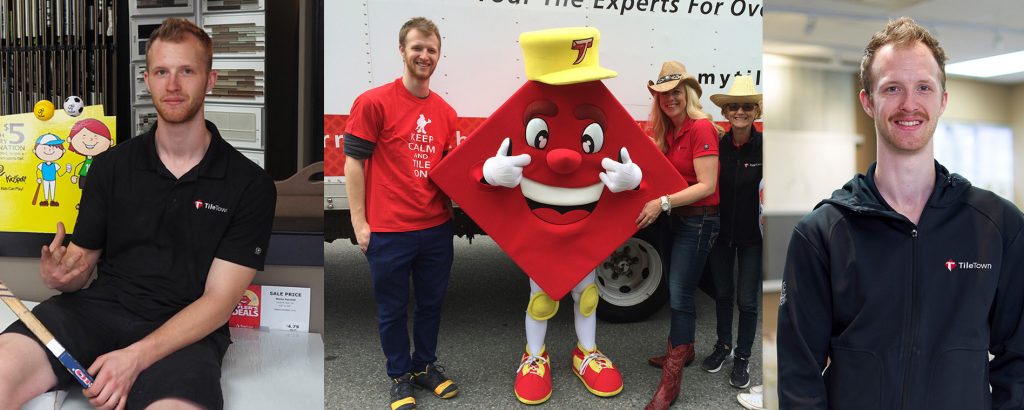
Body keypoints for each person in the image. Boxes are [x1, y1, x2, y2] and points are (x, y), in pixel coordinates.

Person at [0, 17, 276, 410]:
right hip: (94, 312)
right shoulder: (110, 167)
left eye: (187, 71)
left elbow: (219, 301)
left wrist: (135, 357)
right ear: (147, 80)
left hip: (183, 333)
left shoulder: (250, 184)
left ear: (209, 80)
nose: (173, 85)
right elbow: (81, 265)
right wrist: (61, 276)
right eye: (162, 72)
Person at [777, 17, 1024, 409]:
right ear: (868, 101)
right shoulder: (822, 233)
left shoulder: (998, 226)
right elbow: (799, 376)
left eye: (923, 87)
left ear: (942, 99)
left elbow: (1019, 361)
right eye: (892, 88)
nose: (909, 104)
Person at [342, 16, 459, 410]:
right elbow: (353, 163)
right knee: (392, 310)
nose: (424, 56)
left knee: (431, 304)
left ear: (438, 55)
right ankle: (399, 376)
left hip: (435, 229)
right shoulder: (373, 102)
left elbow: (447, 172)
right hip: (389, 232)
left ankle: (425, 366)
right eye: (417, 48)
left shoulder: (446, 111)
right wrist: (359, 223)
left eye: (431, 50)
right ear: (402, 51)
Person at [639, 61, 723, 410]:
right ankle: (682, 348)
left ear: (687, 94)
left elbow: (707, 185)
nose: (669, 99)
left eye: (675, 92)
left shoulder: (700, 128)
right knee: (679, 291)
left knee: (679, 295)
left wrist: (661, 203)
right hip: (680, 220)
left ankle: (671, 379)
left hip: (699, 220)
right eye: (663, 94)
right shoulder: (670, 131)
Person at [703, 75, 763, 389]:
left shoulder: (765, 147)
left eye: (747, 107)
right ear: (726, 113)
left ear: (756, 111)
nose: (740, 111)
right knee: (723, 295)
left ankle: (742, 357)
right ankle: (723, 347)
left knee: (748, 302)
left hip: (753, 238)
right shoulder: (717, 146)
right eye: (734, 107)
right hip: (721, 235)